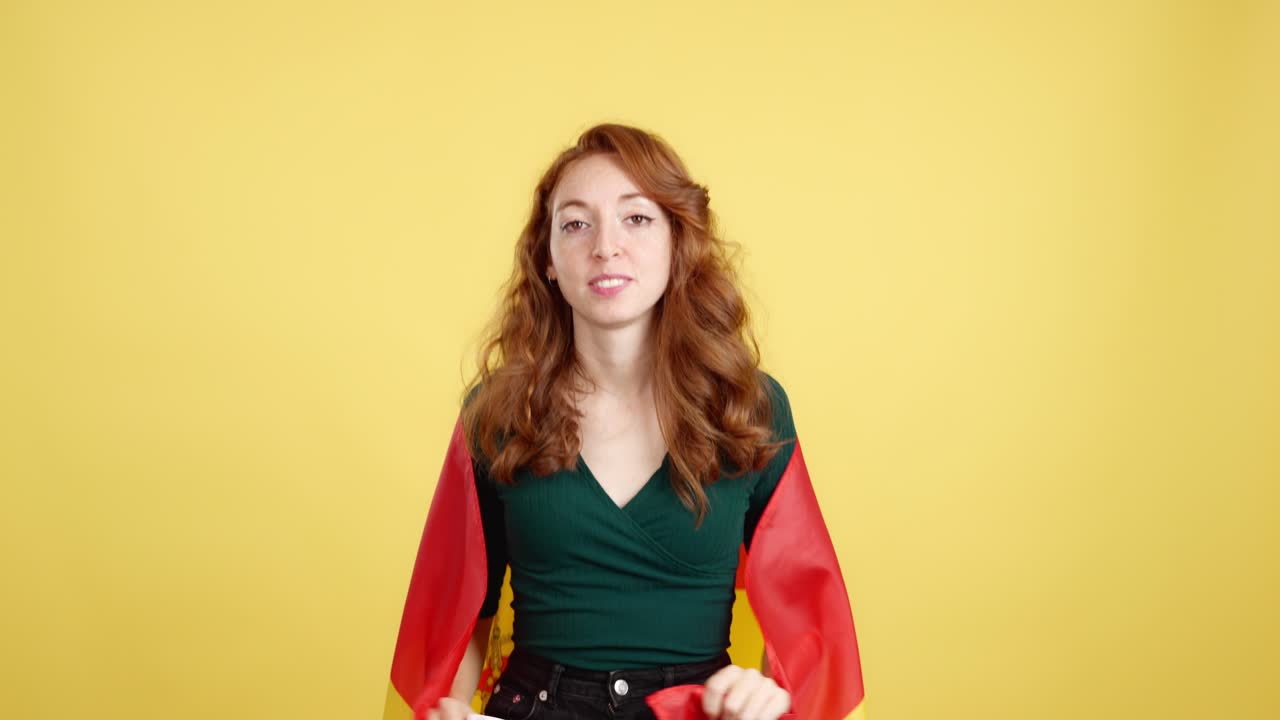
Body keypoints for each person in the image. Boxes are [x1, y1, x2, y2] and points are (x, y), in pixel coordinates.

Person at [385, 123, 865, 720]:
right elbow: (458, 612)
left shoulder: (749, 407)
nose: (606, 247)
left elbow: (808, 623)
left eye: (636, 219)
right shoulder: (497, 413)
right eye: (576, 223)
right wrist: (448, 710)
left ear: (676, 243)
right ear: (550, 262)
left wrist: (768, 696)